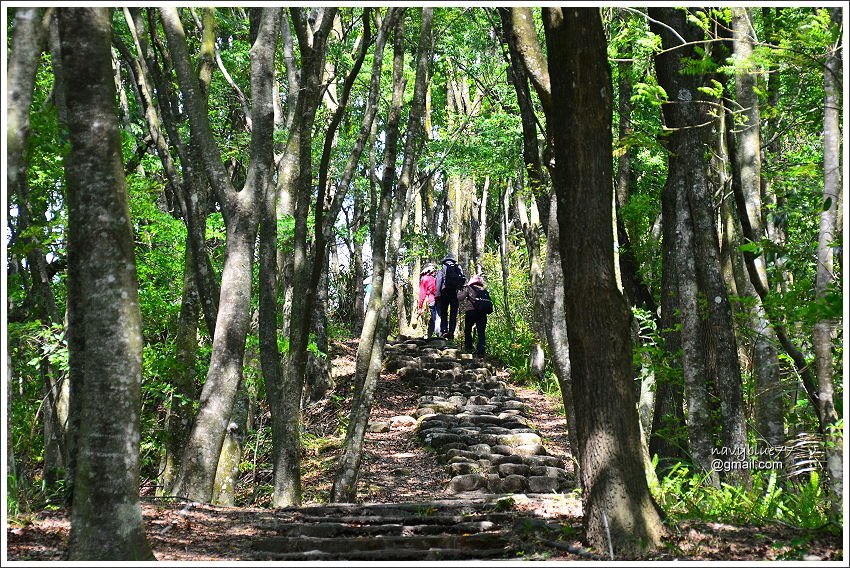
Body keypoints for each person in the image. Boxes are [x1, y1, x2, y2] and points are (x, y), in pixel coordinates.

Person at [458, 274, 489, 358]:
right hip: (482, 313)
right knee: (481, 332)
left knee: (468, 330)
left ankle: (469, 348)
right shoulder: (484, 289)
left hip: (471, 312)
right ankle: (481, 351)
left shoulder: (469, 288)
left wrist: (459, 291)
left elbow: (460, 297)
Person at [434, 254, 464, 340]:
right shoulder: (458, 267)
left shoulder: (443, 267)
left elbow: (439, 280)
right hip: (454, 292)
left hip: (445, 291)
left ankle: (444, 330)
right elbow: (461, 279)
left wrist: (438, 293)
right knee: (453, 313)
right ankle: (451, 332)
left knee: (444, 312)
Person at [418, 264, 439, 339]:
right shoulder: (435, 279)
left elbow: (422, 294)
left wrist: (420, 307)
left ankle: (432, 336)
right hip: (438, 300)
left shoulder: (424, 279)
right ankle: (433, 335)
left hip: (430, 300)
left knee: (432, 319)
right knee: (435, 318)